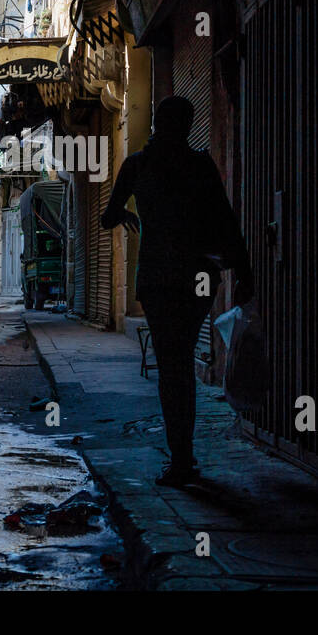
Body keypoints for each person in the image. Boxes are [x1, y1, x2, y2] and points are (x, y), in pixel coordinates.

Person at [102, 96, 253, 487]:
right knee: (182, 361)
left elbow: (107, 217)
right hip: (195, 278)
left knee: (171, 367)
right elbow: (226, 220)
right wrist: (245, 273)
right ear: (187, 126)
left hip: (156, 279)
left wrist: (129, 213)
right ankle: (183, 458)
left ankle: (181, 459)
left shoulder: (137, 164)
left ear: (156, 123)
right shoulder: (199, 165)